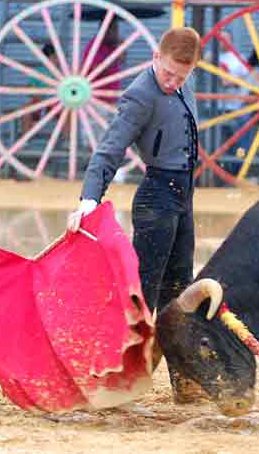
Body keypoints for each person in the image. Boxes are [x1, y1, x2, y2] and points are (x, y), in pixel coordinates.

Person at [66, 27, 201, 320]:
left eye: (181, 76)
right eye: (168, 73)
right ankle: (124, 361)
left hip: (184, 197)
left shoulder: (183, 84)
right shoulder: (140, 95)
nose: (172, 81)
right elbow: (109, 149)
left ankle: (173, 362)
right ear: (156, 57)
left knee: (178, 286)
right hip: (157, 198)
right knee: (142, 291)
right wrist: (89, 200)